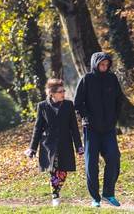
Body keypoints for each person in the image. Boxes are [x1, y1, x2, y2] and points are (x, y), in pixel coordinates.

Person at [74, 52, 124, 208]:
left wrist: (114, 118)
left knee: (114, 158)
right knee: (91, 164)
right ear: (95, 64)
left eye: (106, 64)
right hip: (91, 130)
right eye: (101, 64)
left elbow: (119, 99)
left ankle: (108, 193)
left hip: (108, 129)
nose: (104, 67)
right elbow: (77, 103)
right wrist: (86, 117)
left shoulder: (112, 79)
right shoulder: (86, 79)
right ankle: (95, 198)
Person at [25, 79, 84, 207]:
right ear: (52, 93)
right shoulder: (42, 106)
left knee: (63, 171)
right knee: (53, 169)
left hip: (65, 143)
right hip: (49, 144)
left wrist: (79, 146)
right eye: (60, 91)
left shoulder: (68, 105)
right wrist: (32, 148)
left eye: (64, 91)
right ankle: (55, 196)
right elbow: (38, 127)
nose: (63, 93)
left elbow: (73, 127)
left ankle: (57, 190)